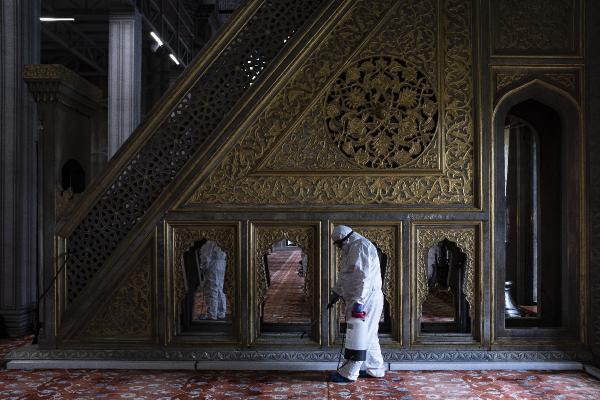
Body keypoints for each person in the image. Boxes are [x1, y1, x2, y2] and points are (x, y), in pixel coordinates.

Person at [327, 225, 386, 382]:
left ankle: (349, 373)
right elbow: (346, 275)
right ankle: (376, 369)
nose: (339, 248)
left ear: (345, 239)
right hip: (360, 298)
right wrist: (336, 293)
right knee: (370, 334)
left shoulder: (360, 247)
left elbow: (363, 278)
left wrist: (359, 303)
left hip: (367, 298)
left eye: (339, 244)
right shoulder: (352, 248)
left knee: (359, 335)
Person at [196, 240, 227, 320]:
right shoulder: (220, 239)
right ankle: (221, 312)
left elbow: (206, 257)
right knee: (220, 289)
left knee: (212, 289)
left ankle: (212, 314)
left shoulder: (210, 241)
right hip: (222, 263)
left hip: (213, 265)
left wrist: (203, 267)